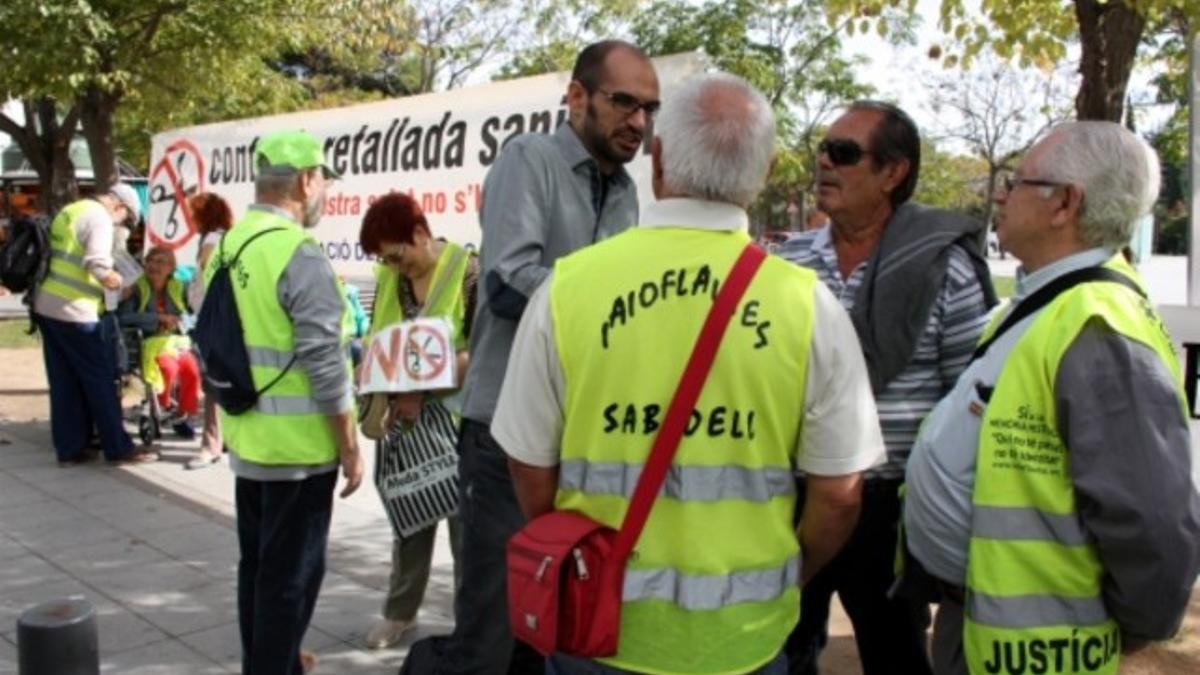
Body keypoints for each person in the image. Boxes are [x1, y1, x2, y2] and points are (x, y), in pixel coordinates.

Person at [493, 72, 884, 675]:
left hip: (598, 628)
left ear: (658, 160)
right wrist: (788, 573)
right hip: (744, 640)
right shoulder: (809, 307)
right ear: (764, 171)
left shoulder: (568, 289)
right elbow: (838, 495)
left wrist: (574, 557)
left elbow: (527, 461)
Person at [904, 121, 1200, 675]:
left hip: (1040, 650)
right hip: (987, 624)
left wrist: (1128, 629)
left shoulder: (1097, 329)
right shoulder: (1048, 304)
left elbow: (1153, 523)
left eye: (1017, 181)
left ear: (1064, 202)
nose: (999, 193)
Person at [408, 40, 660, 674]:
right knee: (490, 635)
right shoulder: (530, 160)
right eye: (623, 101)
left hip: (578, 440)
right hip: (501, 436)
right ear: (576, 96)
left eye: (649, 108)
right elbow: (505, 281)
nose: (638, 121)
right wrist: (619, 311)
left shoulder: (626, 192)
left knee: (548, 623)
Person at [776, 101, 995, 675]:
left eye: (844, 153)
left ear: (893, 172)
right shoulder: (788, 263)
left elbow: (969, 400)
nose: (824, 162)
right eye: (822, 150)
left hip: (891, 507)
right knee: (781, 647)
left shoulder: (942, 267)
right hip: (796, 498)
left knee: (896, 655)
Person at [211, 129, 364, 675]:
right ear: (306, 180)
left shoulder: (227, 244)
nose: (324, 191)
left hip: (249, 440)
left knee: (257, 569)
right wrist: (350, 445)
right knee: (290, 581)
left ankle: (272, 661)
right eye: (323, 179)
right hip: (298, 454)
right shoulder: (299, 253)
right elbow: (325, 363)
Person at [357, 192, 478, 649]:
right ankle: (400, 614)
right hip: (404, 425)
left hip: (458, 421)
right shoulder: (389, 281)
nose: (393, 267)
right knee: (409, 518)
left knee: (466, 527)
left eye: (397, 254)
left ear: (421, 234)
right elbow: (377, 344)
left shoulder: (468, 272)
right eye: (385, 260)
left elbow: (483, 349)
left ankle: (470, 621)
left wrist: (421, 388)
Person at [33, 183, 159, 466]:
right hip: (76, 311)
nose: (122, 226)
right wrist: (118, 283)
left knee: (63, 381)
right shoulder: (100, 218)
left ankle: (70, 448)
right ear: (119, 206)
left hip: (47, 305)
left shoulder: (72, 209)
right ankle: (118, 447)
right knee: (100, 380)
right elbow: (97, 263)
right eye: (125, 220)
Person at [119, 246, 201, 438]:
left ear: (171, 268)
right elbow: (124, 317)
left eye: (161, 262)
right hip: (149, 343)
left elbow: (191, 313)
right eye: (150, 261)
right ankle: (161, 409)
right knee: (168, 368)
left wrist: (183, 321)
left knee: (192, 370)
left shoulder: (179, 288)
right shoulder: (136, 289)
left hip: (176, 341)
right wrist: (158, 318)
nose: (154, 265)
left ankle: (182, 415)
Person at [186, 192, 235, 469]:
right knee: (221, 380)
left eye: (193, 214)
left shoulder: (211, 241)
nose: (190, 219)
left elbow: (208, 279)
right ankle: (223, 439)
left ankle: (211, 443)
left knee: (213, 381)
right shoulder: (223, 237)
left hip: (212, 320)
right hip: (217, 319)